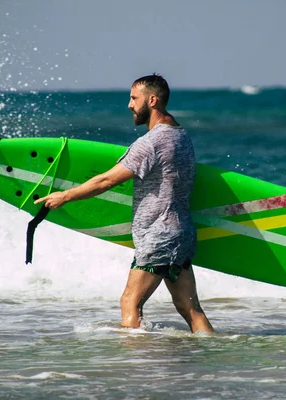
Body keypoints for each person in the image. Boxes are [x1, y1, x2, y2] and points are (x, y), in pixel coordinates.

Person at [34, 74, 214, 334]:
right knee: (190, 309)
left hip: (159, 237)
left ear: (152, 100)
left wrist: (65, 196)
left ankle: (133, 367)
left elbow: (106, 180)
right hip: (181, 235)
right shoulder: (180, 135)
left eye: (133, 98)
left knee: (130, 302)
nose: (129, 105)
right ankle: (212, 353)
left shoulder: (150, 143)